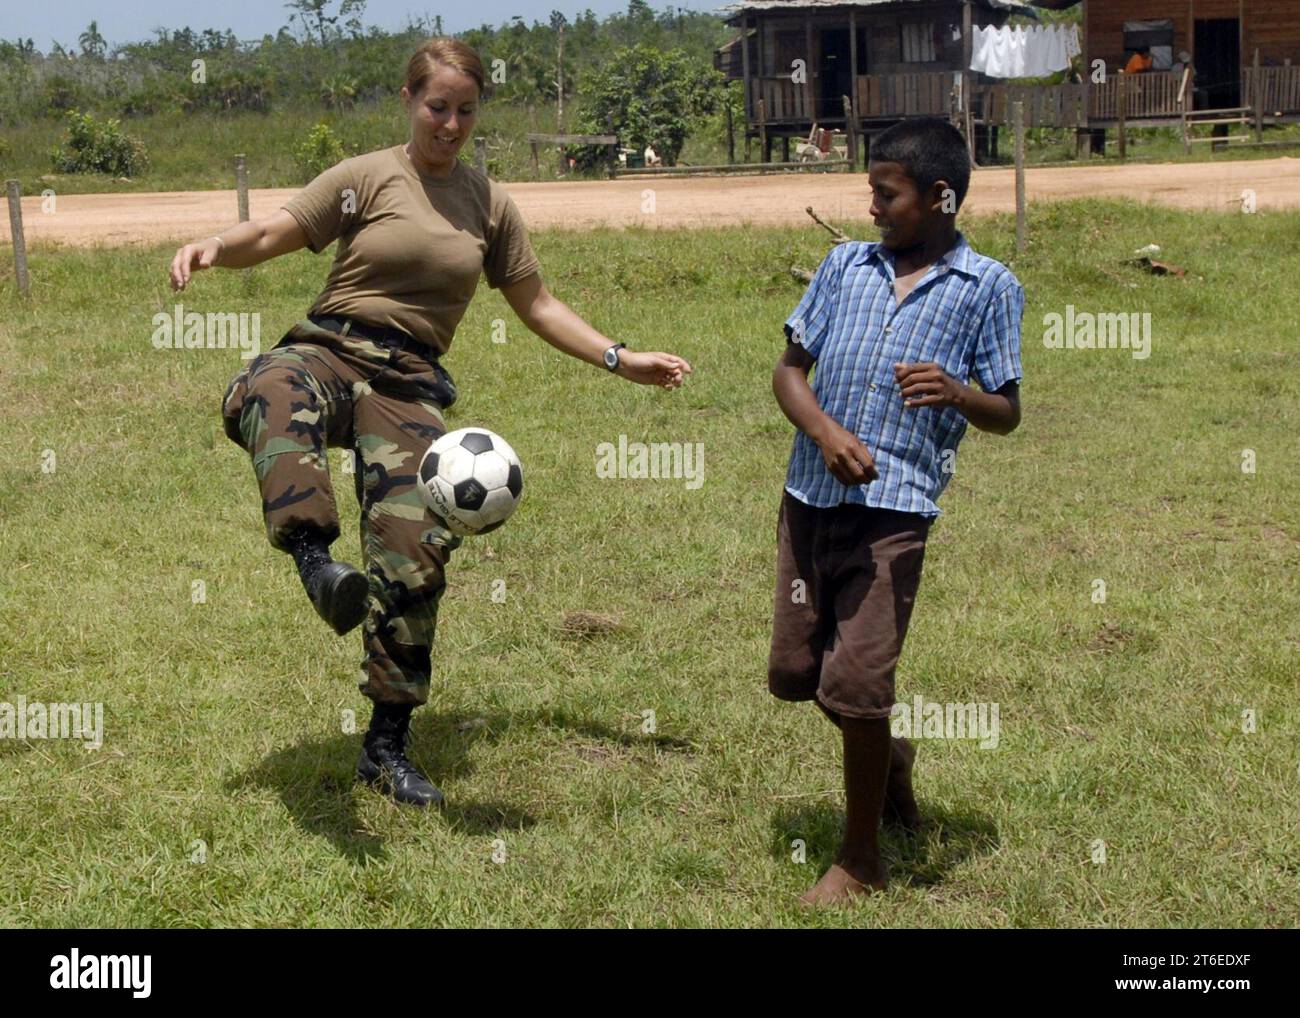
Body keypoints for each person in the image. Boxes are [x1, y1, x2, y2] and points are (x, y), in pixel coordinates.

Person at [167, 37, 692, 809]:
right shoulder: (367, 177)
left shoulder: (488, 203)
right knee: (269, 385)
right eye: (437, 107)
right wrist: (217, 244)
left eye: (466, 111)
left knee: (416, 552)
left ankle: (385, 747)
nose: (450, 124)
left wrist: (622, 357)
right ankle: (317, 564)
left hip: (410, 385)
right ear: (410, 101)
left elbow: (538, 305)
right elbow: (276, 231)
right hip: (333, 349)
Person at [768, 117, 1023, 905]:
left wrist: (957, 392)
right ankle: (891, 760)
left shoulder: (989, 288)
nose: (872, 207)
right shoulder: (844, 265)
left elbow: (1007, 410)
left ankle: (860, 857)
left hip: (895, 514)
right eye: (871, 192)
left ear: (940, 197)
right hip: (810, 501)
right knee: (795, 674)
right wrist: (824, 429)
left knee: (860, 681)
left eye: (888, 193)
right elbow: (788, 372)